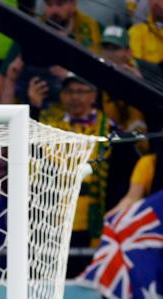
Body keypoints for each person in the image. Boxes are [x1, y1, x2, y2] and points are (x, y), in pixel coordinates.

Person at [44, 75, 112, 250]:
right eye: (69, 91)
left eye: (81, 92)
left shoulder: (109, 128)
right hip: (57, 218)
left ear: (93, 96)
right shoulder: (49, 126)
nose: (74, 97)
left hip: (95, 217)